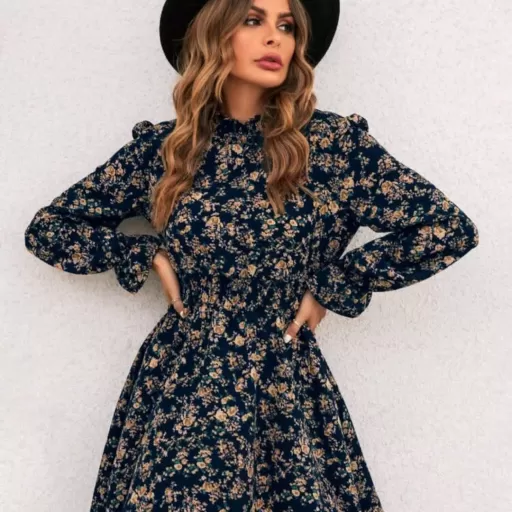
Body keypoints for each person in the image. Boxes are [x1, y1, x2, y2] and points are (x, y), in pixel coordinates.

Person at [23, 0, 479, 510]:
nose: (275, 38)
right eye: (253, 20)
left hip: (282, 380)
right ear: (215, 33)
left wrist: (336, 284)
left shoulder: (329, 146)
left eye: (287, 26)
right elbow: (48, 229)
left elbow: (447, 229)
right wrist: (146, 254)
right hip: (185, 382)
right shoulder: (170, 150)